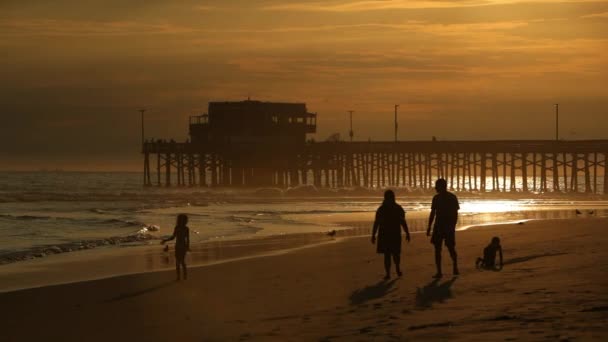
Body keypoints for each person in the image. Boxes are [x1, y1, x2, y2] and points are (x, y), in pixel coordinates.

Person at [372, 189, 411, 280]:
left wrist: (373, 235)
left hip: (386, 234)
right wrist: (407, 232)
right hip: (393, 234)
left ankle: (393, 271)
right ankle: (391, 271)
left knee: (390, 254)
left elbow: (376, 223)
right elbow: (403, 222)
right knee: (392, 254)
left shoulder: (381, 209)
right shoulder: (397, 208)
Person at [427, 178, 460, 278]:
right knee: (450, 248)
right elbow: (455, 214)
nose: (435, 188)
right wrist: (453, 226)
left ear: (441, 187)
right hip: (447, 226)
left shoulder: (436, 198)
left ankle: (440, 271)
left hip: (440, 226)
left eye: (437, 186)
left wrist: (429, 227)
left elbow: (433, 213)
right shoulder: (452, 197)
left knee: (438, 249)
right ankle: (454, 267)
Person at [161, 214, 190, 281]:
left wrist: (188, 247)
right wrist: (165, 240)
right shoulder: (180, 228)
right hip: (179, 247)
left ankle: (183, 275)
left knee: (181, 262)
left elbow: (187, 239)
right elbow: (173, 237)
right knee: (179, 262)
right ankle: (180, 276)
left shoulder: (184, 228)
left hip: (181, 247)